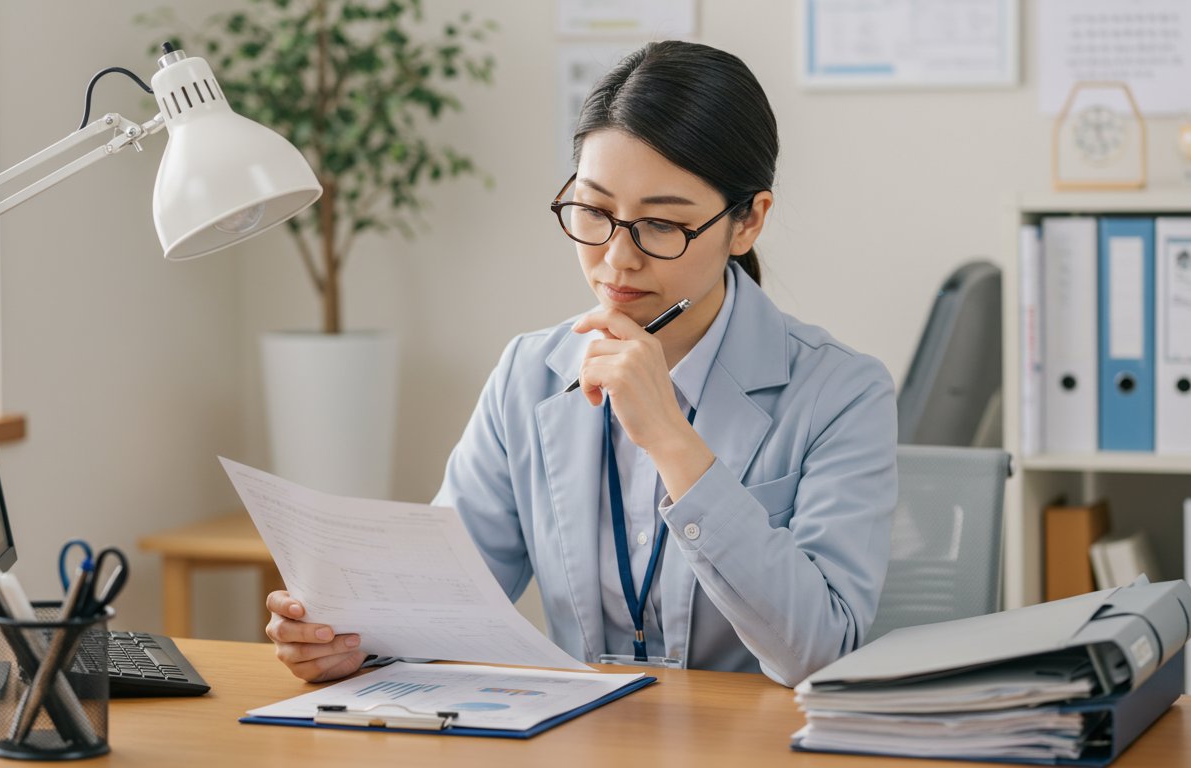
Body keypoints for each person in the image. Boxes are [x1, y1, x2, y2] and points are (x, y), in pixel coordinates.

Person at [263, 40, 897, 688]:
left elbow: (820, 648)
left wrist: (672, 440)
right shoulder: (530, 373)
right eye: (595, 211)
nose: (618, 260)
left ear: (747, 222)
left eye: (660, 226)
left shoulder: (841, 391)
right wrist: (354, 640)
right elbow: (445, 597)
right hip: (581, 738)